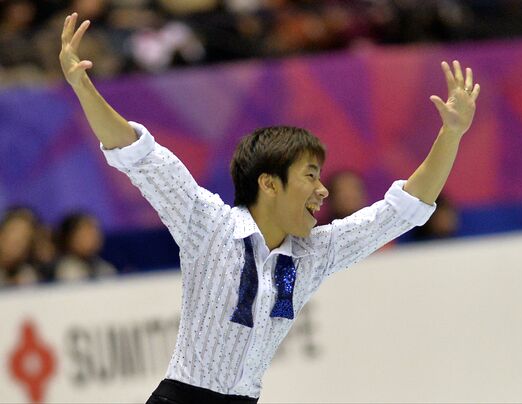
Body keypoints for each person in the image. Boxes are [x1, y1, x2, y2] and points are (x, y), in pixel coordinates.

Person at [59, 11, 480, 403]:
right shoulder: (207, 223)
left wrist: (452, 135)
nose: (323, 191)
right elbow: (138, 155)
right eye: (310, 175)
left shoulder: (315, 252)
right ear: (269, 183)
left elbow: (403, 208)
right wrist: (82, 86)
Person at [53, 212, 116, 282]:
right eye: (85, 233)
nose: (93, 237)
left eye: (94, 231)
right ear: (69, 238)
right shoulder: (66, 270)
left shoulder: (104, 267)